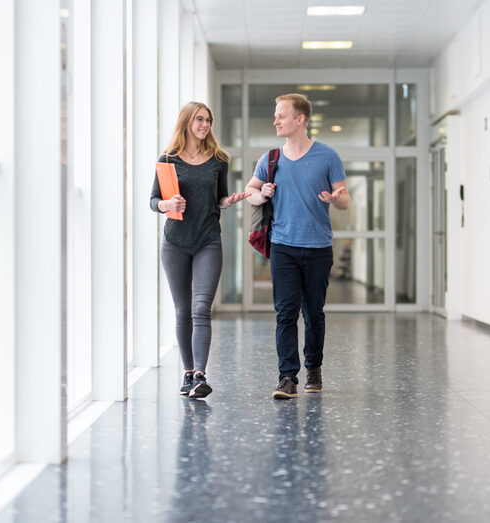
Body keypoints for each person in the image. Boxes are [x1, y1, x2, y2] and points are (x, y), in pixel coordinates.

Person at [245, 93, 350, 399]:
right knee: (285, 312)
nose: (275, 120)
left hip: (318, 247)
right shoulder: (270, 159)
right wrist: (261, 192)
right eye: (275, 115)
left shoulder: (327, 156)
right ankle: (287, 376)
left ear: (300, 119)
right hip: (283, 246)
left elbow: (344, 200)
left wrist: (335, 199)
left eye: (281, 115)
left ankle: (313, 368)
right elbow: (250, 193)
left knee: (314, 312)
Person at [150, 101, 248, 399]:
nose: (205, 125)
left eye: (208, 120)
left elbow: (219, 197)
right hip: (175, 243)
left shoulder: (219, 159)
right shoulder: (168, 159)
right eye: (199, 120)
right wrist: (167, 205)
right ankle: (188, 372)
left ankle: (201, 375)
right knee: (183, 311)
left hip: (208, 240)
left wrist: (228, 201)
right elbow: (154, 200)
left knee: (201, 306)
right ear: (187, 122)